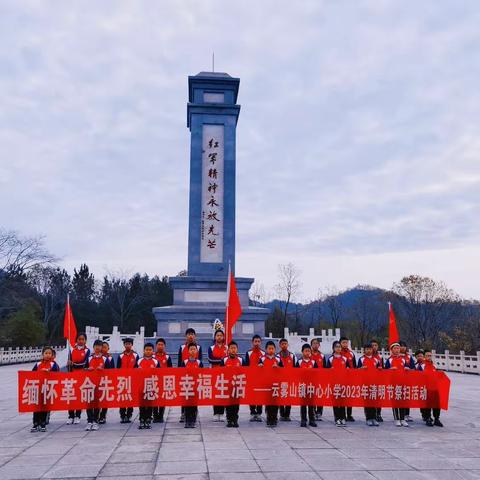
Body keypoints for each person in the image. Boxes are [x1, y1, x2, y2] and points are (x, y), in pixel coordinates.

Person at [85, 339, 113, 431]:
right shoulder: (89, 358)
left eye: (99, 346)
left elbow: (109, 371)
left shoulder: (105, 359)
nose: (97, 347)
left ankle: (95, 421)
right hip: (89, 383)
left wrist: (103, 370)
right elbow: (84, 369)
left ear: (102, 348)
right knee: (89, 403)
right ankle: (89, 421)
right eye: (95, 346)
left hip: (100, 384)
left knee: (97, 403)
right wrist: (88, 369)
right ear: (93, 347)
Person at [31, 347, 60, 432]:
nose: (47, 355)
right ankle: (35, 423)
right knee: (36, 407)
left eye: (49, 353)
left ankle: (43, 423)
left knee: (44, 407)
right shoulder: (38, 364)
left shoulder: (53, 365)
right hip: (38, 389)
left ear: (52, 355)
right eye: (46, 353)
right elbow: (31, 374)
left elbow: (57, 375)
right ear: (42, 355)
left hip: (47, 389)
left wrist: (49, 373)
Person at [178, 328, 203, 423]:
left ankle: (194, 413)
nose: (190, 336)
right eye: (188, 334)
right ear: (186, 336)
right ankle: (183, 413)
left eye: (192, 334)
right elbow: (180, 361)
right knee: (184, 396)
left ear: (195, 336)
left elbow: (199, 361)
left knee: (194, 397)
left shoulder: (199, 347)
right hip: (185, 376)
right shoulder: (181, 347)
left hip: (195, 376)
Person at [67, 333, 90, 424]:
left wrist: (74, 364)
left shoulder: (87, 351)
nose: (81, 341)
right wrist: (69, 363)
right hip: (72, 376)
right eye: (79, 339)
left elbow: (85, 363)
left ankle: (77, 415)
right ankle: (71, 415)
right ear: (76, 340)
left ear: (85, 341)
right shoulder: (72, 350)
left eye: (83, 339)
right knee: (71, 396)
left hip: (82, 376)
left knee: (79, 396)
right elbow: (69, 364)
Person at [259, 340, 283, 427]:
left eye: (272, 348)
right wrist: (260, 367)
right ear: (266, 349)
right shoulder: (262, 359)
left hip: (276, 384)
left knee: (275, 402)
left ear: (275, 349)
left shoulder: (278, 359)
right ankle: (269, 418)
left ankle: (275, 418)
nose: (271, 350)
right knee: (268, 403)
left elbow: (283, 371)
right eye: (269, 348)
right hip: (266, 384)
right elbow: (257, 371)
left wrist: (278, 367)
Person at [384, 342, 409, 427]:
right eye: (395, 348)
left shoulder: (403, 359)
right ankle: (396, 419)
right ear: (391, 350)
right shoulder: (389, 360)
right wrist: (390, 369)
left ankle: (402, 419)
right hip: (393, 384)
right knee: (395, 402)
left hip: (403, 383)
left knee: (402, 401)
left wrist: (407, 369)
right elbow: (385, 372)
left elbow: (408, 370)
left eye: (398, 348)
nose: (397, 350)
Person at [357, 342, 382, 426]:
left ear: (372, 350)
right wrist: (361, 369)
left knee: (374, 402)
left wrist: (380, 369)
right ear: (364, 350)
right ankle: (368, 418)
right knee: (367, 402)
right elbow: (357, 371)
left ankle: (374, 418)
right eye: (367, 349)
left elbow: (380, 370)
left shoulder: (376, 360)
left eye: (370, 349)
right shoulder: (361, 359)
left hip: (374, 384)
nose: (369, 351)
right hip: (365, 383)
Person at [137, 343, 160, 429]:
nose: (148, 351)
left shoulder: (155, 361)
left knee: (150, 403)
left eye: (150, 350)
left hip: (151, 385)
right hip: (141, 385)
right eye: (146, 349)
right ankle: (142, 419)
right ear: (144, 350)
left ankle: (148, 419)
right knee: (142, 404)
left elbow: (159, 373)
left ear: (153, 351)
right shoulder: (139, 361)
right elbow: (134, 373)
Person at [221, 341, 244, 428]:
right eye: (231, 348)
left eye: (234, 348)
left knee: (236, 404)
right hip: (227, 386)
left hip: (238, 386)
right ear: (228, 350)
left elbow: (245, 372)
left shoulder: (241, 360)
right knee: (228, 404)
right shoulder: (224, 360)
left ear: (237, 349)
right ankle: (229, 420)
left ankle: (235, 419)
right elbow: (220, 372)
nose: (233, 350)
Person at [417, 350, 443, 427]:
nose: (429, 357)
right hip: (426, 388)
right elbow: (417, 376)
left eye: (430, 355)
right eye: (427, 355)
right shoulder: (421, 366)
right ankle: (427, 418)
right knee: (427, 404)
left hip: (435, 387)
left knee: (437, 404)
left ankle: (436, 419)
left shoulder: (434, 365)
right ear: (424, 357)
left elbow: (437, 375)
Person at [181, 343, 204, 428]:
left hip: (196, 387)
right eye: (191, 349)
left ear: (197, 351)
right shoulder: (184, 362)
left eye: (194, 349)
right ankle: (187, 421)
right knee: (187, 405)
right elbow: (181, 374)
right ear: (188, 351)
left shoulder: (199, 363)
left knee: (194, 405)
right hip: (187, 387)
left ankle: (193, 420)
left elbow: (202, 375)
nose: (193, 351)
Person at [326, 341, 349, 426]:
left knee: (342, 402)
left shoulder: (345, 359)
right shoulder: (330, 359)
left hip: (343, 383)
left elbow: (349, 370)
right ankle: (337, 418)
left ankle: (343, 417)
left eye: (339, 346)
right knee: (336, 402)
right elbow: (326, 371)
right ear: (333, 348)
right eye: (336, 347)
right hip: (334, 384)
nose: (338, 348)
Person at [117, 337, 139, 423]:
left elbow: (137, 368)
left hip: (132, 380)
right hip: (122, 380)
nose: (128, 345)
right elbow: (118, 368)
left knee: (130, 398)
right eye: (126, 344)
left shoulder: (136, 356)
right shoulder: (120, 356)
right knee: (122, 398)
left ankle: (129, 415)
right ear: (124, 345)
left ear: (132, 345)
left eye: (129, 344)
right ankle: (122, 415)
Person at [208, 329, 228, 422]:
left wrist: (221, 360)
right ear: (215, 337)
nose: (219, 337)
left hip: (225, 374)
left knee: (223, 393)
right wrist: (222, 360)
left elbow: (228, 359)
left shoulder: (227, 348)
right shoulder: (211, 348)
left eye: (221, 335)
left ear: (223, 337)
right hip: (214, 373)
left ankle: (222, 413)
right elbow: (210, 360)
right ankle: (216, 413)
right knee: (215, 394)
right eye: (217, 335)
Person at [245, 334, 265, 422]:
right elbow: (246, 366)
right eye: (255, 341)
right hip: (251, 378)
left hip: (261, 378)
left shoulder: (264, 353)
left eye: (258, 341)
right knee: (252, 396)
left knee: (260, 395)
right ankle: (253, 413)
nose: (257, 343)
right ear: (252, 342)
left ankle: (259, 413)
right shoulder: (248, 353)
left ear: (261, 342)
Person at [297, 343, 317, 428]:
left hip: (311, 386)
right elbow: (295, 373)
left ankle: (312, 420)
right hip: (302, 386)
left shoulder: (313, 362)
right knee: (303, 404)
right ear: (302, 352)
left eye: (309, 351)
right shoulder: (299, 362)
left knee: (311, 404)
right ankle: (303, 420)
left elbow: (317, 373)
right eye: (306, 351)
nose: (307, 352)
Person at [153, 338, 172, 423]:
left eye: (162, 345)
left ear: (164, 346)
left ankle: (160, 416)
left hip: (163, 381)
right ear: (156, 346)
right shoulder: (152, 356)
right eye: (159, 344)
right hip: (153, 380)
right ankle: (155, 416)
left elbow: (170, 369)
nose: (160, 346)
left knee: (162, 399)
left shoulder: (167, 357)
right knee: (154, 398)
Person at [278, 338, 297, 421]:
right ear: (279, 345)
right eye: (282, 344)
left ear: (287, 345)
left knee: (289, 398)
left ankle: (287, 414)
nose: (284, 345)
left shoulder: (292, 356)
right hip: (280, 380)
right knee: (281, 397)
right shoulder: (277, 356)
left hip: (290, 380)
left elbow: (297, 368)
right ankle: (282, 414)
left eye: (285, 344)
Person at [339, 336, 356, 422]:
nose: (345, 344)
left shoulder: (351, 353)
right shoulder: (338, 353)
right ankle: (342, 415)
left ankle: (349, 414)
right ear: (340, 343)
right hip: (340, 379)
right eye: (343, 342)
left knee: (349, 397)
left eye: (346, 342)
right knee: (342, 397)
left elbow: (355, 366)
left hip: (350, 378)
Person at [399, 340, 415, 422]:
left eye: (404, 346)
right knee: (400, 397)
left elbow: (413, 368)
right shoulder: (396, 357)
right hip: (398, 381)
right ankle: (400, 415)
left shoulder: (409, 357)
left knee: (407, 397)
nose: (403, 347)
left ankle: (407, 414)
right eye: (401, 346)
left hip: (407, 380)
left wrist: (410, 369)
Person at [98, 341, 114, 424]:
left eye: (105, 347)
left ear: (108, 349)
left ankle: (103, 416)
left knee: (104, 399)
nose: (103, 349)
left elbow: (112, 370)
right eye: (102, 347)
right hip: (97, 381)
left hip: (106, 381)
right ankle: (96, 415)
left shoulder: (110, 358)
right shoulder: (95, 357)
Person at [310, 337, 325, 421]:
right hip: (311, 380)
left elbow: (325, 368)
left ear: (319, 345)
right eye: (314, 343)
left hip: (320, 379)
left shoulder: (322, 356)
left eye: (317, 343)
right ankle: (312, 412)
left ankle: (319, 413)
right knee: (312, 396)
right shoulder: (308, 354)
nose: (315, 345)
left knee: (319, 396)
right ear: (311, 345)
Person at [370, 339, 384, 422]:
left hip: (379, 380)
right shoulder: (367, 357)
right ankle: (370, 415)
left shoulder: (380, 357)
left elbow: (384, 369)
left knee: (379, 399)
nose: (374, 347)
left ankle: (378, 414)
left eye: (375, 345)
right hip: (370, 381)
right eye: (372, 346)